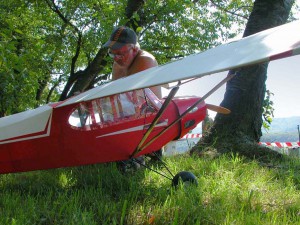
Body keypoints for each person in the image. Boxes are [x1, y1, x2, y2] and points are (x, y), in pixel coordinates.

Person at [103, 26, 161, 98]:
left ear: (134, 49)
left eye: (120, 54)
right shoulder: (117, 64)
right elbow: (113, 95)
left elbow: (134, 98)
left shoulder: (146, 60)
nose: (116, 59)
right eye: (112, 54)